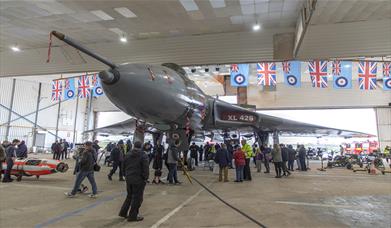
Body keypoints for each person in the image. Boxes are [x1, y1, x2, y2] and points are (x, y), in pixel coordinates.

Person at [119, 141, 149, 222]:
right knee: (137, 198)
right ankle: (133, 216)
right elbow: (145, 168)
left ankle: (123, 212)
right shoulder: (143, 155)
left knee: (129, 196)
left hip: (129, 178)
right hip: (139, 179)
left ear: (133, 145)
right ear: (141, 146)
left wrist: (125, 175)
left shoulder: (128, 154)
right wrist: (145, 178)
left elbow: (123, 165)